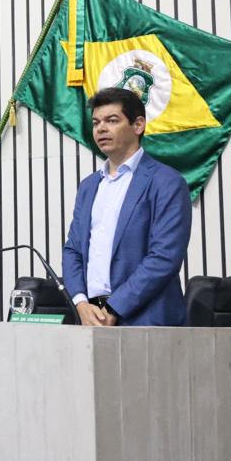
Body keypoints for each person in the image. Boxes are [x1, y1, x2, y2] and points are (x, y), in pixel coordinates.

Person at [62, 88, 192, 326]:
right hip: (91, 316)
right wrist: (81, 302)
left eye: (112, 120)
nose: (101, 128)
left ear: (138, 125)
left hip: (146, 319)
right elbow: (73, 250)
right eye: (96, 122)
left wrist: (113, 307)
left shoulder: (166, 182)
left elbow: (164, 257)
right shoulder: (89, 186)